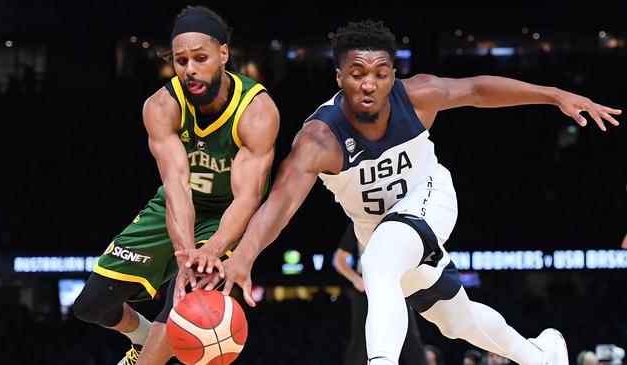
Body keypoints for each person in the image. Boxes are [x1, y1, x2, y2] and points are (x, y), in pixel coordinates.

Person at [194, 20, 621, 365]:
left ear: (392, 74)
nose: (369, 84)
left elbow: (476, 90)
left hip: (430, 197)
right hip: (377, 228)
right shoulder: (318, 140)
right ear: (339, 75)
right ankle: (541, 355)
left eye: (380, 73)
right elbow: (281, 202)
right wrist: (244, 257)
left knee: (379, 260)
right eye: (358, 73)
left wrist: (554, 95)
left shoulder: (417, 96)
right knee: (457, 321)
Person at [72, 5, 279, 365]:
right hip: (176, 203)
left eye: (201, 58)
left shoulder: (256, 111)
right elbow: (176, 186)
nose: (190, 69)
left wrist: (210, 250)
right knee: (91, 306)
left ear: (224, 54)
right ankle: (143, 336)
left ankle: (146, 355)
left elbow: (248, 198)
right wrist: (185, 254)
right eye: (182, 60)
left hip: (225, 215)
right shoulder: (161, 105)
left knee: (184, 300)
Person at [334, 222, 426, 365]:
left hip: (395, 284)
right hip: (366, 289)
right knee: (361, 339)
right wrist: (356, 280)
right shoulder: (358, 223)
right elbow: (339, 260)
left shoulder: (398, 221)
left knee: (410, 337)